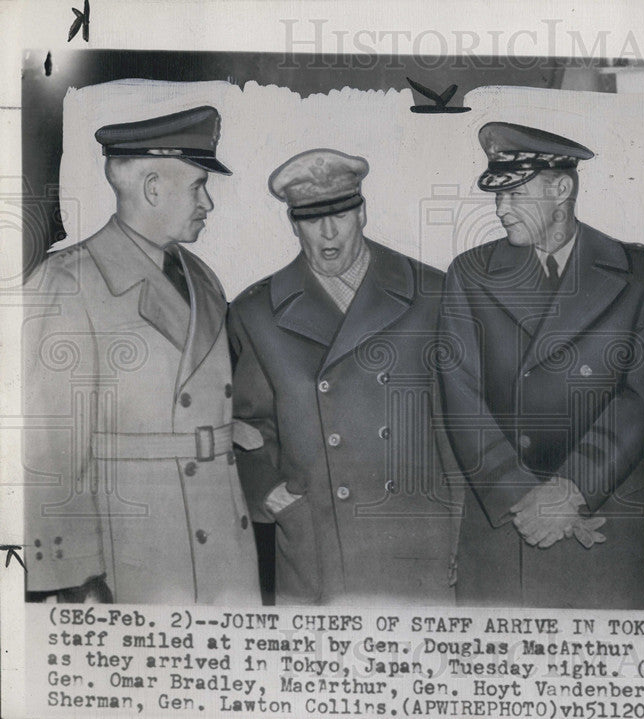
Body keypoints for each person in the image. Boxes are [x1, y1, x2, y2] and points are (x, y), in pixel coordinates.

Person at [22, 106, 260, 604]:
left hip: (223, 542)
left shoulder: (203, 278)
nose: (208, 203)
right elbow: (49, 450)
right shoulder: (68, 282)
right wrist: (75, 578)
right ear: (153, 187)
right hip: (135, 554)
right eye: (198, 186)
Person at [437, 122, 644, 608]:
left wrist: (572, 490)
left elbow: (638, 400)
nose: (501, 210)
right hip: (506, 517)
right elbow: (461, 397)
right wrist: (525, 499)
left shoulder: (638, 272)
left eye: (516, 195)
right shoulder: (470, 273)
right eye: (497, 197)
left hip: (596, 515)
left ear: (562, 189)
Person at [228, 148, 459, 605]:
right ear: (294, 224)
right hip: (318, 545)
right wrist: (274, 497)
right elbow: (248, 430)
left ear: (363, 212)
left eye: (341, 215)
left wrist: (460, 530)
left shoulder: (432, 293)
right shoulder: (256, 312)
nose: (329, 233)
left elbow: (463, 426)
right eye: (312, 219)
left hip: (419, 547)